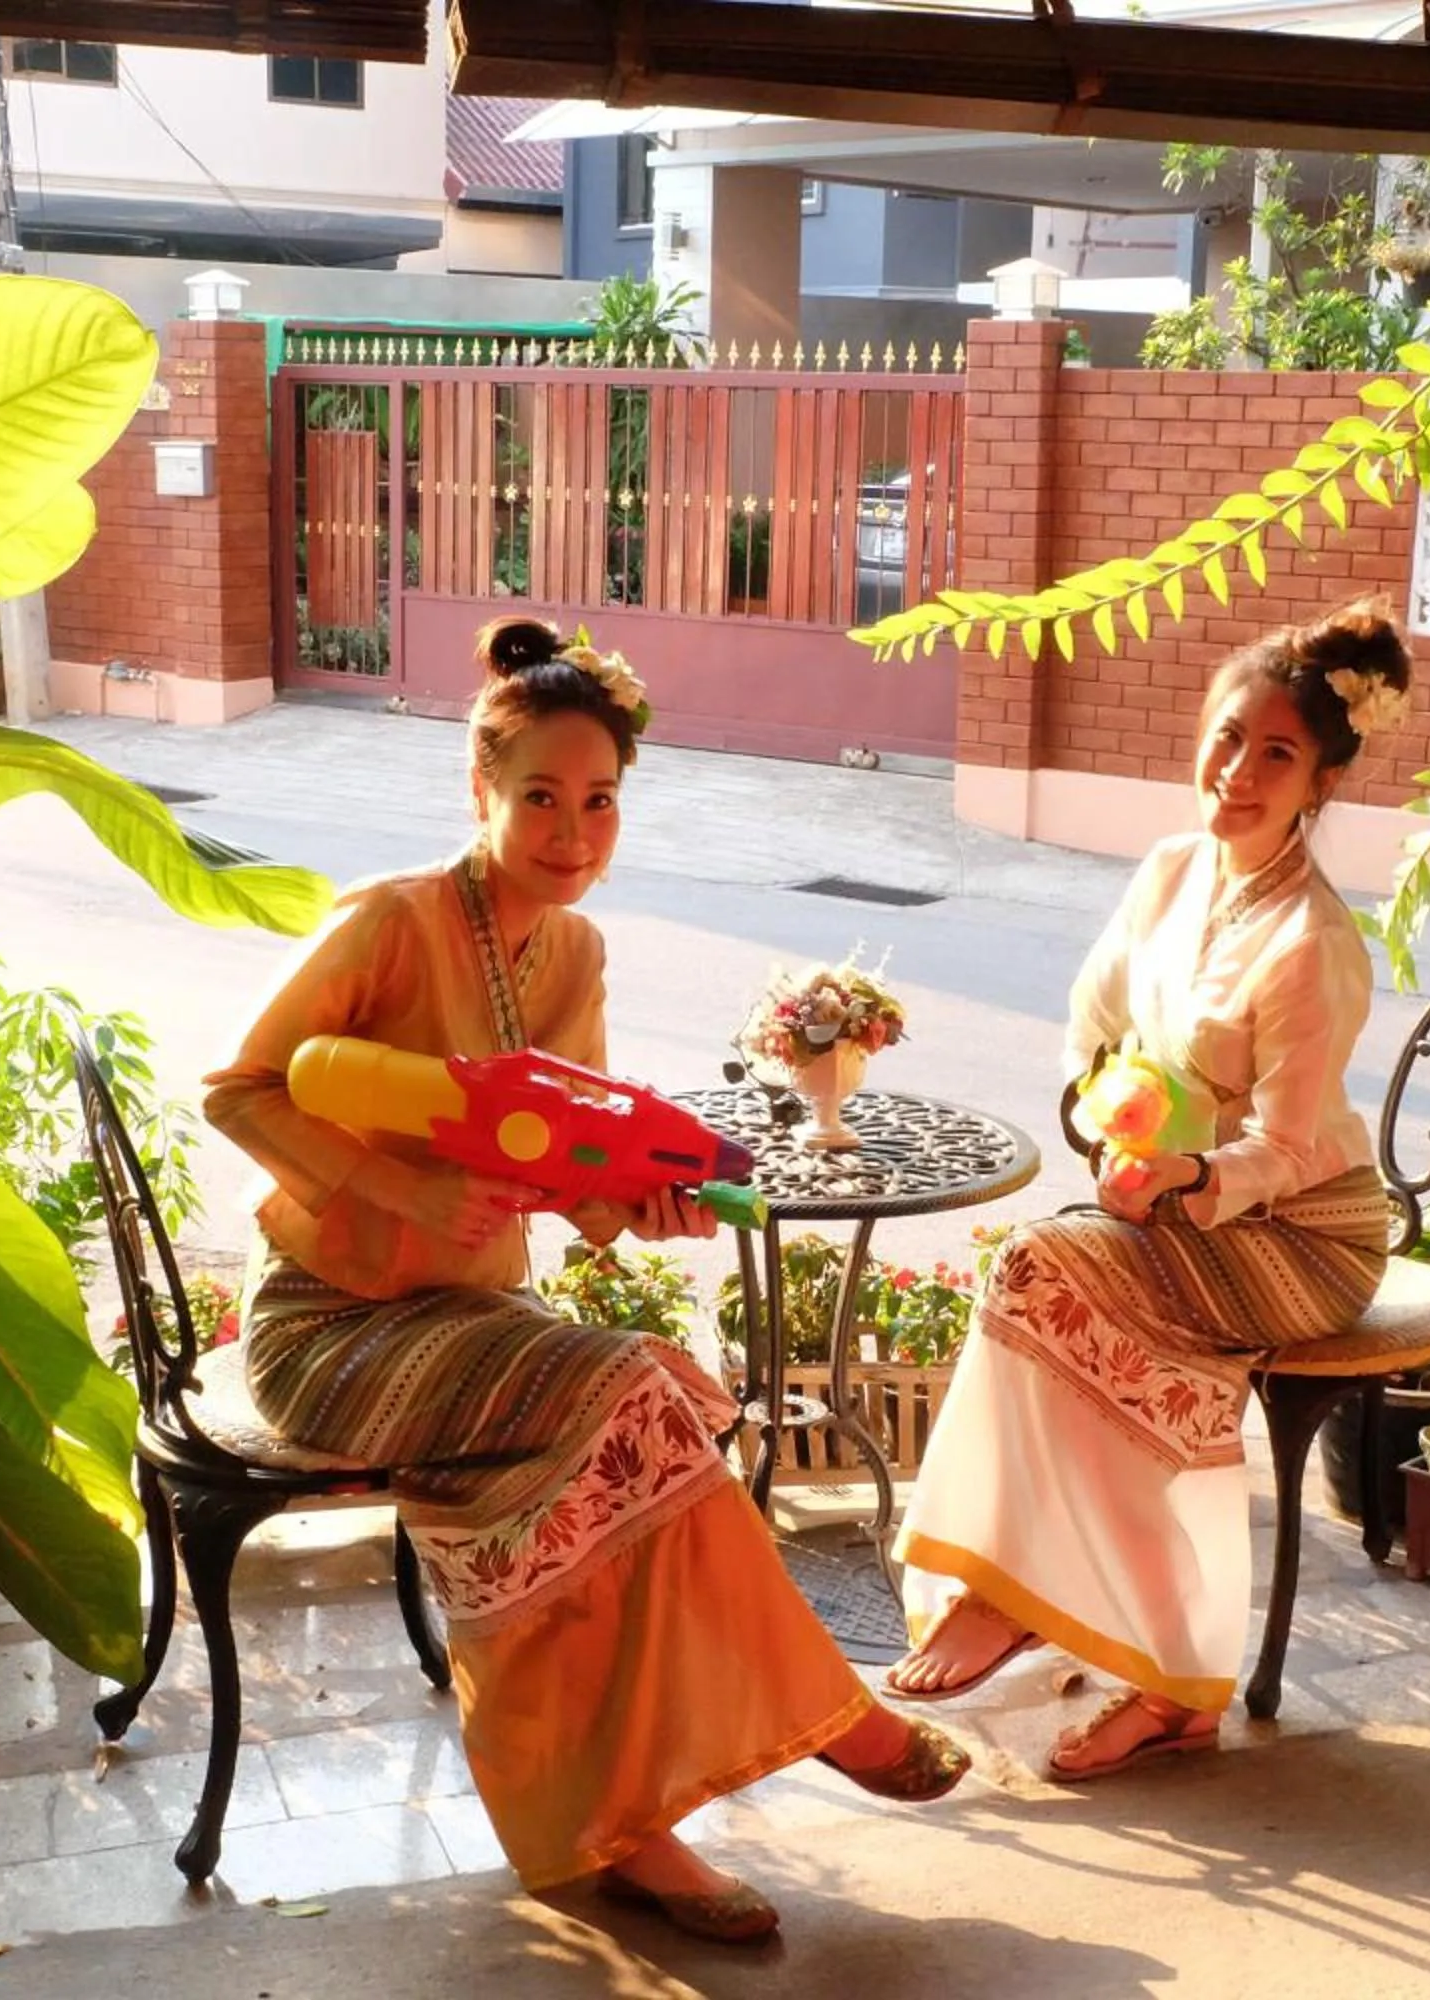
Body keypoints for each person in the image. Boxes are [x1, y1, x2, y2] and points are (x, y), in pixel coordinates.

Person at [204, 617, 968, 1943]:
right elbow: (237, 1087)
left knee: (660, 1396)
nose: (574, 831)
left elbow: (574, 1169)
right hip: (331, 1328)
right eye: (541, 798)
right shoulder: (386, 923)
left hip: (470, 1318)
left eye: (601, 800)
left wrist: (640, 1202)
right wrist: (406, 1190)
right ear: (480, 794)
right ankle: (819, 1720)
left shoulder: (575, 955)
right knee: (624, 1386)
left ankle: (631, 1825)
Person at [883, 599, 1413, 1782]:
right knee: (1047, 1277)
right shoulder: (1173, 869)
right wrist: (1100, 1121)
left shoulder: (1313, 942)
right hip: (1170, 1199)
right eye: (1230, 736)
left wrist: (1185, 1171)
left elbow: (1292, 1145)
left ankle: (1141, 1661)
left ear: (1320, 781)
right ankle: (1029, 1592)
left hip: (1304, 1234)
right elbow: (1096, 1025)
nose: (1239, 769)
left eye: (1277, 753)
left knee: (1056, 1278)